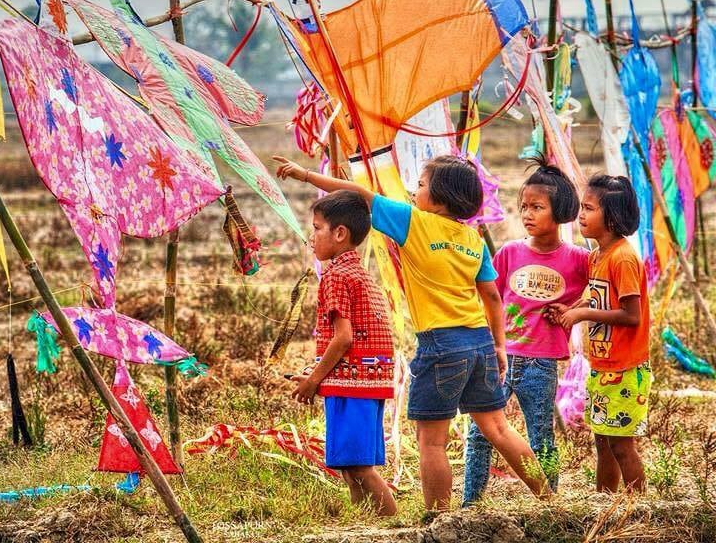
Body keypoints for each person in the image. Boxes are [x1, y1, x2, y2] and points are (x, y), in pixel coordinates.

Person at [275, 154, 550, 511]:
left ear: (439, 197)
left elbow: (359, 194)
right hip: (480, 340)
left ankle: (439, 518)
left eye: (420, 185)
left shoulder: (414, 222)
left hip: (441, 344)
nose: (415, 191)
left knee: (431, 442)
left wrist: (306, 175)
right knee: (499, 429)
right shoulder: (473, 238)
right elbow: (493, 296)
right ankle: (548, 496)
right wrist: (499, 345)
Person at [463, 160, 589, 504]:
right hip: (500, 358)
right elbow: (490, 298)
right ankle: (470, 503)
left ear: (560, 212)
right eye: (524, 207)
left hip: (542, 363)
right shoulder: (508, 253)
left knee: (541, 435)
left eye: (537, 207)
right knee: (479, 433)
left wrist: (574, 312)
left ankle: (548, 500)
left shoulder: (579, 259)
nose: (527, 214)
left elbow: (601, 288)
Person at [288, 189, 397, 515]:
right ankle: (366, 526)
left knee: (360, 469)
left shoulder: (335, 276)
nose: (312, 236)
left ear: (340, 233)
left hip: (354, 385)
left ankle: (394, 528)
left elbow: (344, 338)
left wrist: (312, 380)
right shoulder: (359, 274)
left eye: (317, 228)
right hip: (367, 382)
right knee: (351, 467)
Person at [548, 174, 650, 493]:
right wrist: (570, 308)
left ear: (613, 215)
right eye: (582, 207)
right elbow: (595, 295)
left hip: (625, 369)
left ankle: (638, 505)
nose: (581, 214)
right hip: (604, 366)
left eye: (589, 208)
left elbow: (631, 316)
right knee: (603, 442)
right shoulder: (597, 255)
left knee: (621, 445)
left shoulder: (623, 258)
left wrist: (581, 314)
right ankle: (604, 501)